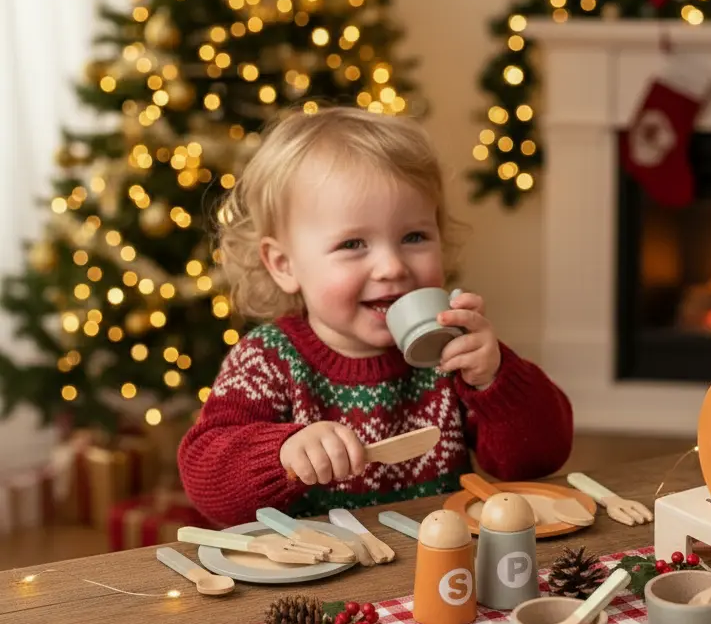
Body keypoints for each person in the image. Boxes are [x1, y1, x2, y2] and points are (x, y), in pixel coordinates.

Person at [178, 106, 573, 525]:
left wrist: (495, 379)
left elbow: (539, 460)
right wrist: (283, 454)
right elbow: (207, 478)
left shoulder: (452, 351)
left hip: (440, 563)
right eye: (353, 244)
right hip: (318, 577)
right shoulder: (267, 360)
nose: (392, 267)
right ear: (284, 265)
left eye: (414, 237)